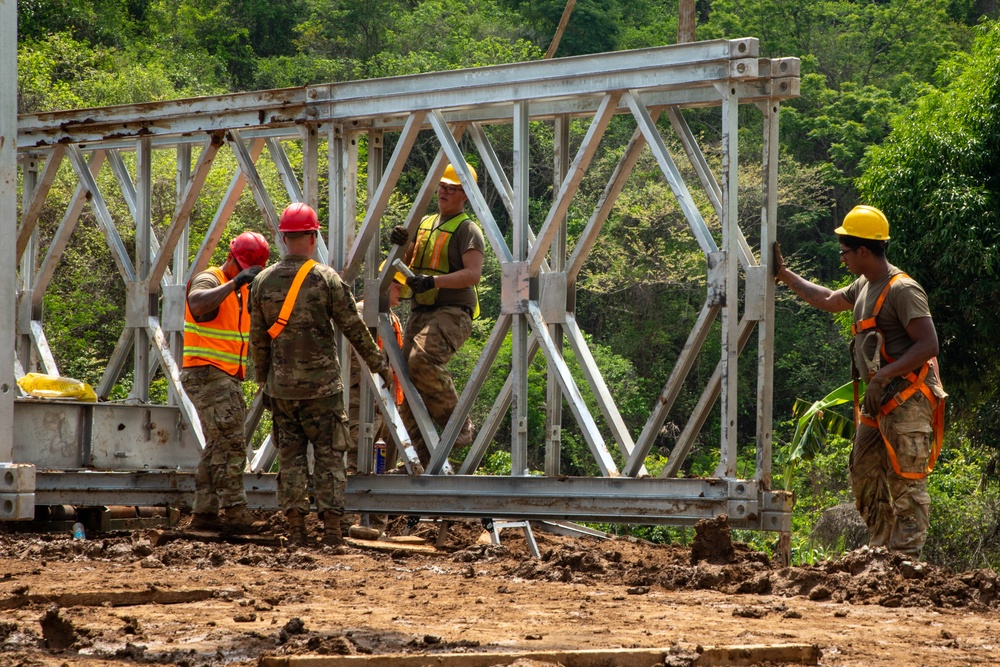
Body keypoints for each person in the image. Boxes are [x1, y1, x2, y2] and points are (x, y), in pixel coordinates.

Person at [774, 205, 946, 558]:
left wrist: (883, 375)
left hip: (906, 400)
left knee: (907, 485)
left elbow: (929, 344)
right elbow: (826, 298)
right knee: (864, 474)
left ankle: (905, 563)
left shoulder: (902, 289)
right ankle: (882, 552)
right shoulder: (863, 285)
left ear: (864, 251)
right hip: (876, 401)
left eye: (845, 252)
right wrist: (784, 275)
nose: (842, 259)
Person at [249, 202, 392, 547]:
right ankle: (331, 531)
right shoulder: (326, 279)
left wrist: (264, 383)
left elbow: (258, 341)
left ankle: (296, 530)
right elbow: (354, 329)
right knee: (330, 457)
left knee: (292, 458)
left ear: (283, 237)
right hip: (323, 390)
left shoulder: (262, 282)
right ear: (314, 236)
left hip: (282, 391)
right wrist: (380, 366)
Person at [389, 162, 483, 467]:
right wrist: (402, 243)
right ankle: (422, 460)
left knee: (421, 359)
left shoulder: (468, 229)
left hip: (453, 311)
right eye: (442, 186)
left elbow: (472, 274)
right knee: (406, 379)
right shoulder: (426, 222)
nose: (444, 192)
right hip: (422, 309)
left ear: (464, 195)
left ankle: (459, 425)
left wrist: (434, 281)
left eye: (451, 188)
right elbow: (407, 262)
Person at [182, 231, 271, 534]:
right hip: (207, 373)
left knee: (217, 444)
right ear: (233, 257)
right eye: (243, 266)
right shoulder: (212, 278)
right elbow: (196, 303)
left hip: (223, 375)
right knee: (232, 444)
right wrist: (234, 282)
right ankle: (235, 514)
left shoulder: (242, 292)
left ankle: (204, 513)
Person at [343, 265, 406, 539]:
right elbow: (350, 360)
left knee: (384, 469)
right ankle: (344, 523)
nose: (402, 292)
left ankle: (376, 527)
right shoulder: (358, 314)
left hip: (389, 408)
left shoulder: (392, 319)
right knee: (355, 463)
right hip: (361, 403)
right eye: (397, 285)